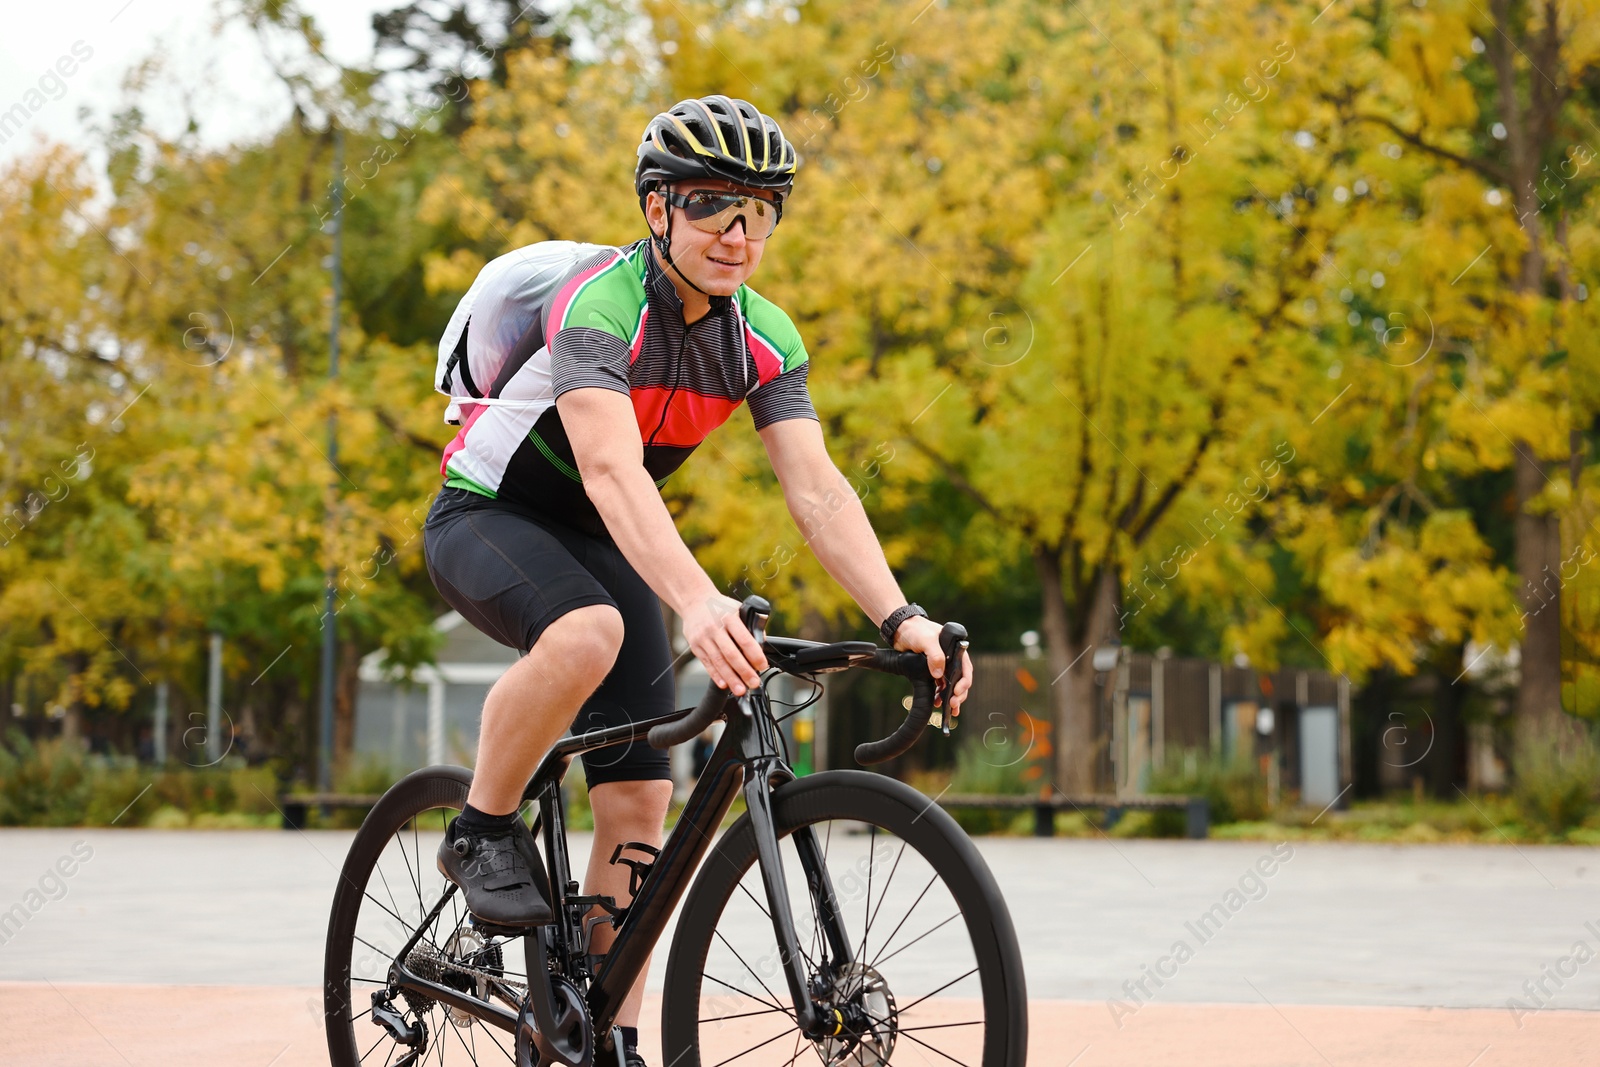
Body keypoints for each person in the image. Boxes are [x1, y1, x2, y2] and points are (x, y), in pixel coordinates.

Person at [421, 95, 972, 1065]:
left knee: (639, 800)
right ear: (656, 210)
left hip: (605, 541)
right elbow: (609, 470)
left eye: (761, 209)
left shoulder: (762, 337)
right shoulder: (597, 307)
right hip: (491, 516)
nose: (738, 231)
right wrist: (696, 597)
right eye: (713, 203)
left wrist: (902, 616)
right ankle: (480, 824)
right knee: (589, 632)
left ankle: (610, 1037)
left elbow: (819, 492)